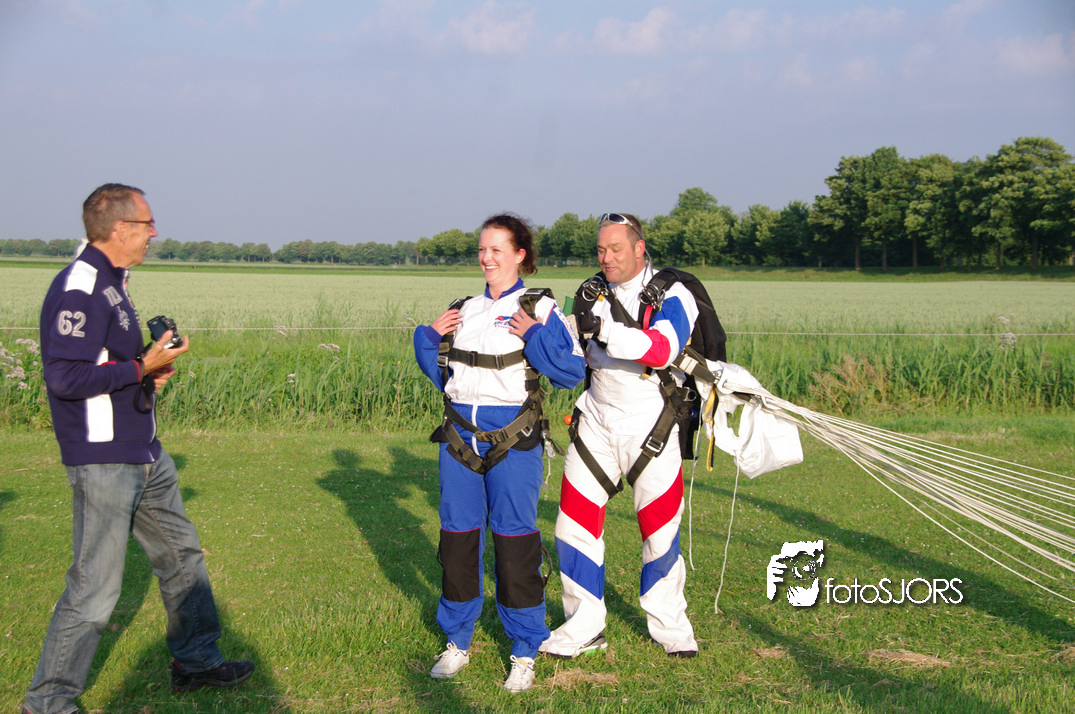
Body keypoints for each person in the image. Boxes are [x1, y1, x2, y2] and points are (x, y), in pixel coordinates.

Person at [23, 184, 253, 714]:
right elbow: (63, 377)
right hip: (104, 457)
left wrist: (148, 374)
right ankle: (48, 703)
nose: (155, 233)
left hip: (144, 451)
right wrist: (139, 367)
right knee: (95, 588)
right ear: (121, 228)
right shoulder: (81, 286)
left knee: (181, 557)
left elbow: (106, 365)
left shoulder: (113, 282)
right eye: (148, 224)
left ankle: (196, 662)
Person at [413, 213, 585, 692]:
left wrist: (533, 334)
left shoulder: (539, 306)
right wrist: (427, 337)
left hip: (513, 439)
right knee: (457, 539)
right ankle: (457, 640)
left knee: (514, 543)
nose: (487, 258)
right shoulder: (464, 308)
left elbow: (571, 371)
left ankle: (525, 649)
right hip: (458, 439)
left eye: (497, 250)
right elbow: (443, 375)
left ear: (519, 254)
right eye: (482, 250)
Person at [540, 212, 700, 659]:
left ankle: (671, 629)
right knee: (573, 524)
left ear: (639, 248)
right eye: (600, 250)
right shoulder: (589, 293)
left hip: (651, 423)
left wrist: (605, 330)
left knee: (659, 530)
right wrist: (544, 330)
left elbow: (662, 348)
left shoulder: (674, 293)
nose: (606, 258)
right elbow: (572, 353)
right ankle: (583, 626)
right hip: (595, 418)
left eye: (615, 249)